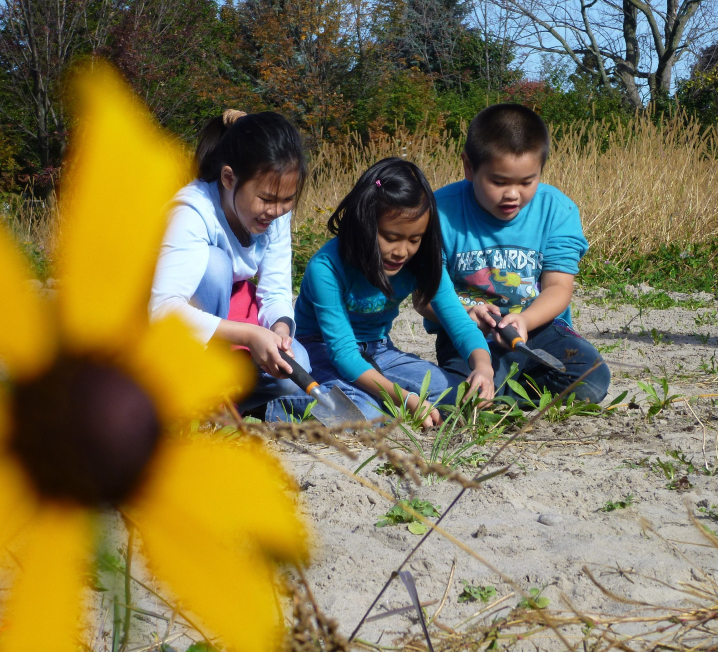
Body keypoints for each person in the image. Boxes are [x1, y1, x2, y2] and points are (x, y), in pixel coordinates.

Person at [266, 157, 494, 427]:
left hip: (379, 349)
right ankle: (275, 404)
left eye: (414, 239)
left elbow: (460, 323)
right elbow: (344, 355)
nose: (402, 251)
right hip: (321, 350)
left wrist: (483, 367)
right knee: (367, 412)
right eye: (391, 237)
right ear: (364, 225)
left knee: (459, 395)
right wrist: (404, 398)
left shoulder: (422, 261)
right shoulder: (326, 267)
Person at [418, 103, 610, 404]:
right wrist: (465, 317)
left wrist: (525, 320)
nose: (512, 194)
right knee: (463, 393)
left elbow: (559, 288)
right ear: (469, 166)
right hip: (467, 333)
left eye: (526, 181)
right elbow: (425, 296)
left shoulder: (556, 210)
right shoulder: (438, 212)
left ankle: (504, 393)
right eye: (498, 181)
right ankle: (494, 390)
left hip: (539, 328)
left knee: (592, 379)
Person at [150, 109, 310, 415]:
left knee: (295, 365)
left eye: (286, 201)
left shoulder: (274, 213)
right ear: (228, 178)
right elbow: (163, 310)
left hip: (224, 330)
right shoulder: (192, 211)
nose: (276, 211)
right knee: (215, 264)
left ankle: (217, 407)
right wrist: (249, 335)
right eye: (266, 199)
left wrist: (279, 331)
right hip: (168, 340)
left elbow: (276, 292)